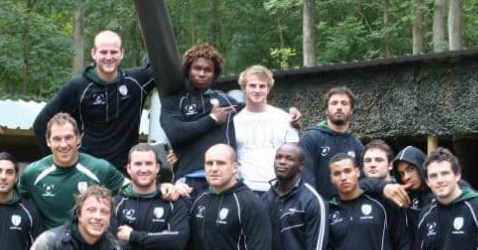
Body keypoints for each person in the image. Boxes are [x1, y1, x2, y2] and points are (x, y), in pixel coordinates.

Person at [32, 30, 155, 169]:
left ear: (121, 53)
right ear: (93, 53)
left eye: (113, 52)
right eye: (103, 52)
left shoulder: (136, 82)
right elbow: (41, 124)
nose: (109, 57)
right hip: (87, 171)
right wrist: (57, 163)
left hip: (124, 173)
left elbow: (174, 69)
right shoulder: (78, 86)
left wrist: (153, 56)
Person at [159, 42, 240, 198]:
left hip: (224, 180)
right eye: (197, 68)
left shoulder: (225, 100)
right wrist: (212, 119)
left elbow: (255, 110)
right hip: (188, 181)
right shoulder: (174, 101)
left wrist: (290, 112)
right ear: (188, 70)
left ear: (215, 74)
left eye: (208, 70)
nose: (202, 73)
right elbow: (175, 132)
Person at [233, 65, 300, 194]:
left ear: (268, 89)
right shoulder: (233, 121)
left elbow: (293, 158)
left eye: (262, 86)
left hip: (278, 189)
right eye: (252, 85)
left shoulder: (287, 119)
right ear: (244, 88)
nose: (257, 90)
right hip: (244, 190)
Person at [300, 87, 363, 200]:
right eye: (334, 103)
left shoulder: (357, 145)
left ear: (351, 110)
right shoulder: (311, 138)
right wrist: (316, 206)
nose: (339, 107)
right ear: (326, 110)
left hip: (348, 210)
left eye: (344, 103)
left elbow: (363, 180)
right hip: (318, 208)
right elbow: (306, 178)